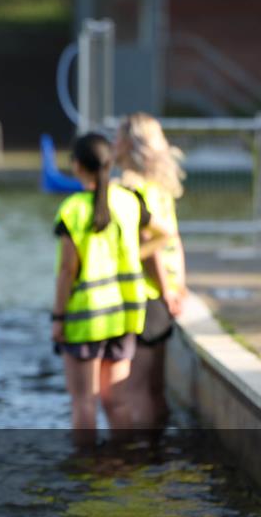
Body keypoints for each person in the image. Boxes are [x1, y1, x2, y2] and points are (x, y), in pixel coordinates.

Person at [50, 133, 171, 447]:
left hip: (84, 319)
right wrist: (136, 255)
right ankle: (124, 464)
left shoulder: (73, 210)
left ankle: (86, 472)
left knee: (84, 401)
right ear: (110, 163)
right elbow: (164, 234)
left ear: (77, 166)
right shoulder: (128, 201)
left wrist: (58, 318)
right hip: (123, 317)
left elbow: (67, 271)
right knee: (116, 402)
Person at [114, 113, 187, 429]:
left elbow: (150, 245)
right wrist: (177, 285)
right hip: (162, 295)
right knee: (156, 388)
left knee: (135, 389)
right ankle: (157, 455)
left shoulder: (130, 188)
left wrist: (165, 289)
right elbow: (174, 240)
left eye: (117, 136)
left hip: (144, 293)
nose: (113, 143)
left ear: (130, 143)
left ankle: (136, 462)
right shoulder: (161, 189)